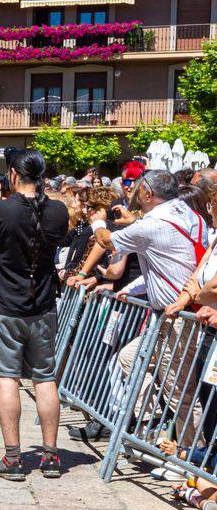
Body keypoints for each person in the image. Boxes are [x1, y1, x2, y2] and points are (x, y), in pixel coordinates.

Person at [69, 170, 206, 447]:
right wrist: (132, 289)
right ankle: (152, 427)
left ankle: (192, 454)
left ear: (148, 193)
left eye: (138, 189)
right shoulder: (189, 214)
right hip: (168, 316)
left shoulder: (152, 225)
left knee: (180, 393)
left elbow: (107, 240)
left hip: (178, 317)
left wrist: (98, 222)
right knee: (128, 359)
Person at [0, 149, 70, 481]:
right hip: (43, 304)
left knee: (7, 377)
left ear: (13, 174)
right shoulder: (57, 210)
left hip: (6, 305)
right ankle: (51, 456)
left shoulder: (2, 210)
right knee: (45, 378)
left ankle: (13, 458)